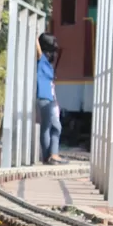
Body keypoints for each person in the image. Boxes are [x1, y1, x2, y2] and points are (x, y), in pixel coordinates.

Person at [36, 33, 64, 165]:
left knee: (48, 127)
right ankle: (52, 155)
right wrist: (35, 38)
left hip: (49, 97)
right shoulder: (41, 60)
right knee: (54, 126)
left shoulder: (46, 63)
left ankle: (49, 156)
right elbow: (38, 50)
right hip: (44, 97)